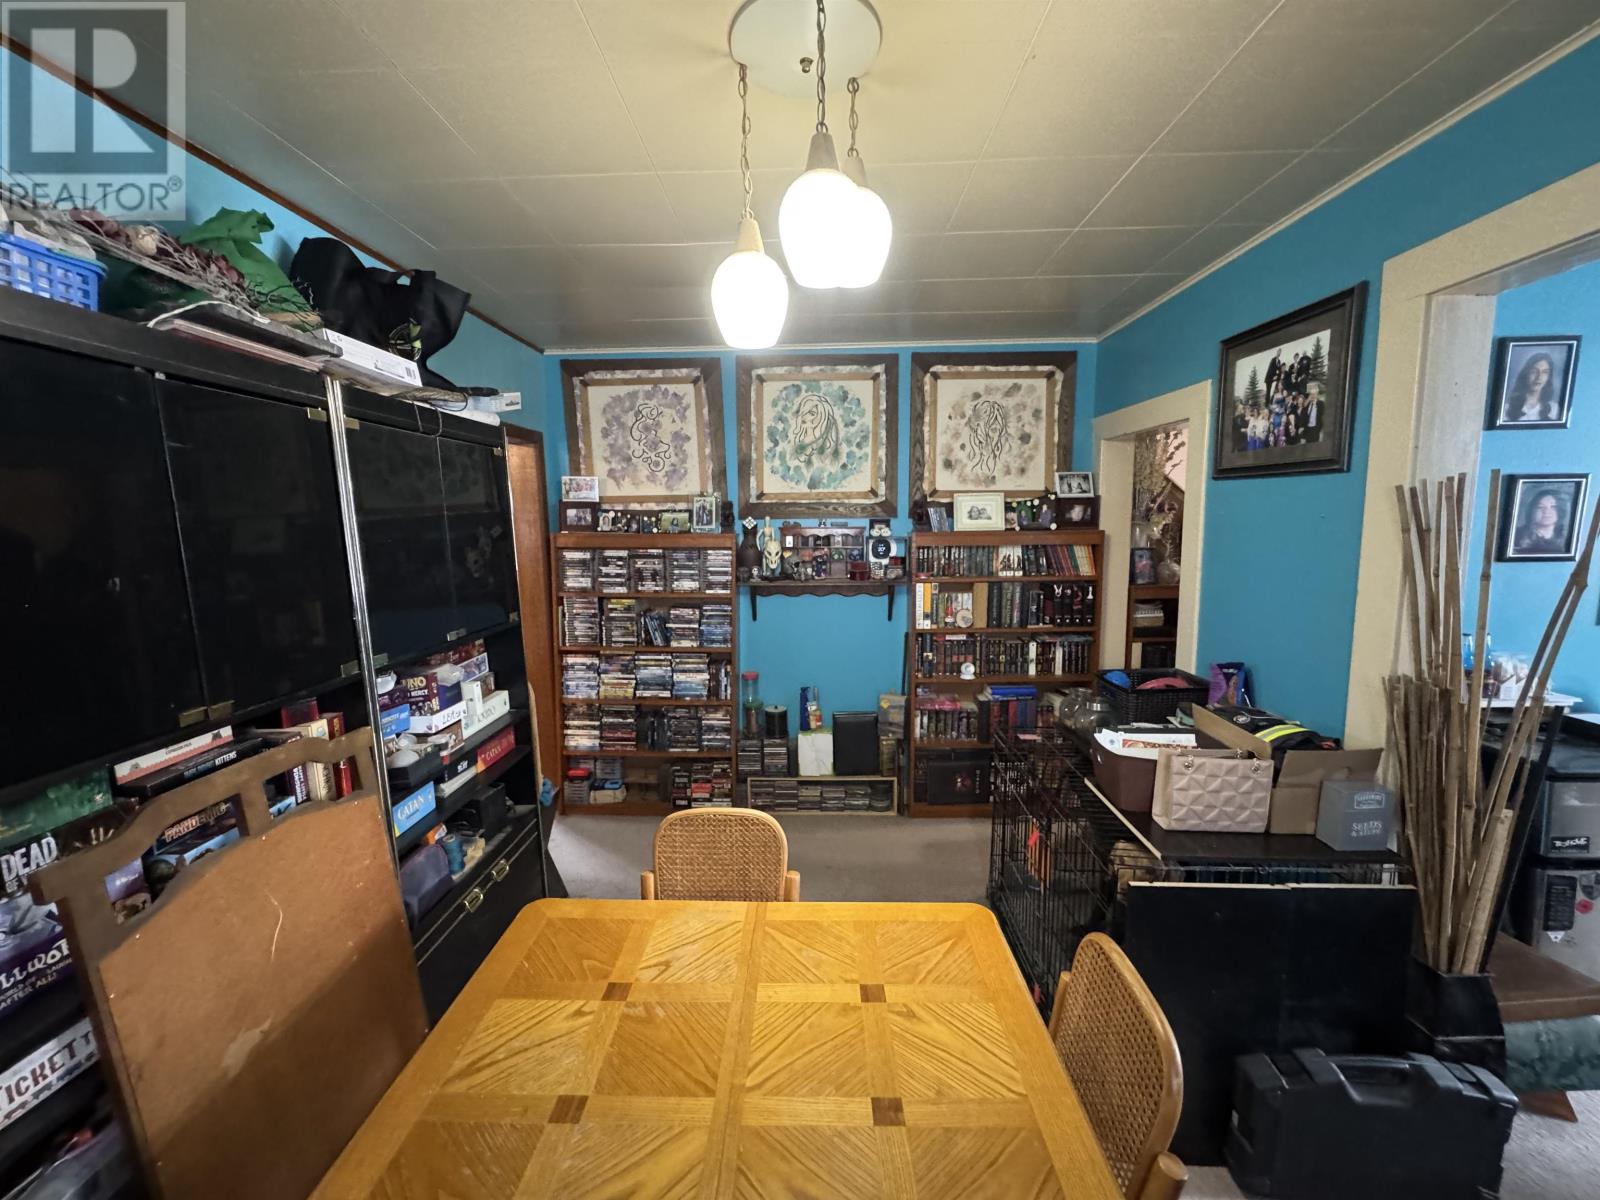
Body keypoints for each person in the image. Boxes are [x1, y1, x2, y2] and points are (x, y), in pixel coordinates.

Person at [1502, 352, 1561, 423]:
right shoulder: (1506, 409)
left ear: (1549, 377)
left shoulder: (1554, 410)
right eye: (1534, 371)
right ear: (1526, 374)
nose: (1539, 377)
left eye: (1545, 372)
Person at [1513, 489, 1570, 555]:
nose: (1546, 511)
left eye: (1553, 507)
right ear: (1531, 510)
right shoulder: (1516, 535)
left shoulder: (1566, 537)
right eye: (1540, 507)